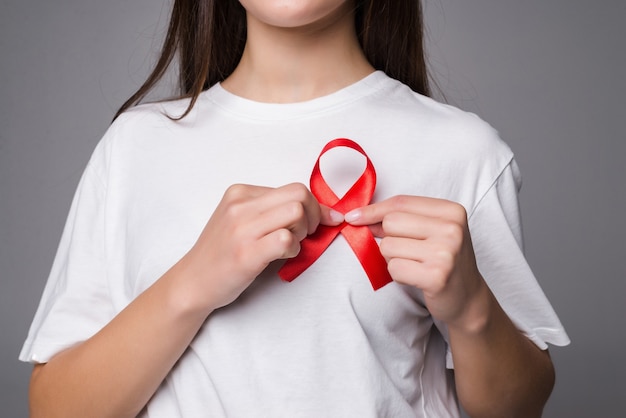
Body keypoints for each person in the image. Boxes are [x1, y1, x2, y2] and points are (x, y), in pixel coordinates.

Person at [20, 1, 570, 417]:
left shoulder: (464, 152)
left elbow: (518, 406)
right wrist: (192, 282)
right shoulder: (134, 148)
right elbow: (54, 407)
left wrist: (472, 308)